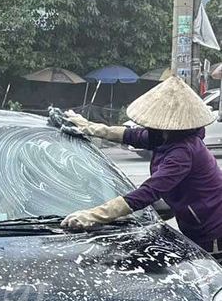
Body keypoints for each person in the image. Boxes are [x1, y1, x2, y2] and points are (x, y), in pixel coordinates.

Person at [62, 74, 222, 255]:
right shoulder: (164, 137)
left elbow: (150, 191)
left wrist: (95, 215)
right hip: (196, 222)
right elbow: (131, 135)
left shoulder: (183, 152)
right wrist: (88, 127)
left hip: (213, 230)